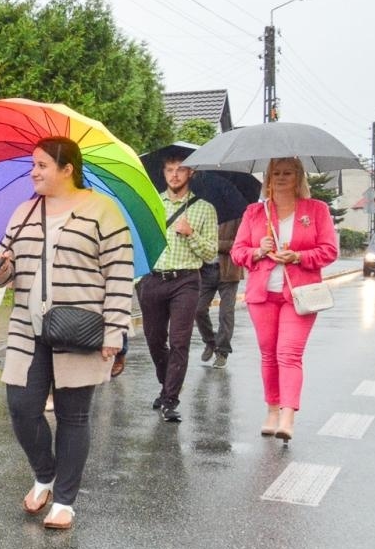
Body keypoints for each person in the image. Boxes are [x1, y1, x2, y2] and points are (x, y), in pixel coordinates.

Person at [0, 138, 133, 530]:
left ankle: (65, 499)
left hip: (79, 327)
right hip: (26, 326)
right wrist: (0, 266)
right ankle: (44, 474)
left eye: (41, 165)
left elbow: (118, 274)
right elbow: (6, 271)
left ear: (67, 169)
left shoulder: (103, 210)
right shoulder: (24, 211)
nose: (33, 172)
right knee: (20, 406)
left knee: (73, 415)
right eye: (33, 165)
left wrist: (114, 332)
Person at [230, 157, 339, 442]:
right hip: (262, 294)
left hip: (300, 294)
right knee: (268, 354)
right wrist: (258, 251)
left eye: (287, 173)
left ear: (298, 177)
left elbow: (329, 250)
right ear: (267, 178)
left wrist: (299, 256)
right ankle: (272, 409)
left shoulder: (316, 210)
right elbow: (238, 251)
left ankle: (288, 414)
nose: (280, 177)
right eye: (275, 173)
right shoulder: (255, 212)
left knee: (289, 353)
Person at [137, 153, 218, 423]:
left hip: (185, 279)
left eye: (180, 170)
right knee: (154, 339)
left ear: (190, 173)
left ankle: (171, 399)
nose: (174, 175)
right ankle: (166, 384)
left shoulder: (205, 208)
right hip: (152, 279)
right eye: (169, 169)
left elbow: (210, 254)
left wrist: (190, 233)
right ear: (163, 173)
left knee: (179, 340)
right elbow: (137, 242)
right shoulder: (151, 204)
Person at [197, 217, 242, 367]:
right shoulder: (202, 214)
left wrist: (215, 245)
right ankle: (210, 342)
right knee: (198, 310)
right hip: (205, 271)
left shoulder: (236, 216)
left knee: (226, 313)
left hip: (229, 270)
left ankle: (222, 352)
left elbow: (241, 243)